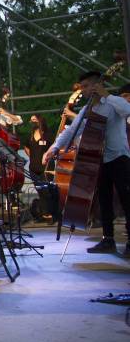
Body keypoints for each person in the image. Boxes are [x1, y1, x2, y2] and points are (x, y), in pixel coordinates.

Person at [42, 71, 130, 255]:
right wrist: (55, 147)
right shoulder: (87, 109)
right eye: (81, 87)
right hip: (100, 159)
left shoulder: (113, 102)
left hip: (119, 158)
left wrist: (106, 95)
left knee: (126, 199)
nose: (83, 91)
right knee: (104, 200)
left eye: (85, 86)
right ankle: (108, 239)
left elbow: (127, 110)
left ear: (95, 85)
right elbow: (72, 130)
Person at [24, 114, 55, 222]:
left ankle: (51, 214)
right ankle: (44, 214)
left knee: (48, 191)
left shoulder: (48, 134)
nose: (32, 122)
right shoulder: (31, 135)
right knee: (40, 191)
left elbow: (54, 147)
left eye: (34, 120)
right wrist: (33, 157)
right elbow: (26, 147)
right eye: (31, 120)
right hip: (33, 167)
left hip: (46, 167)